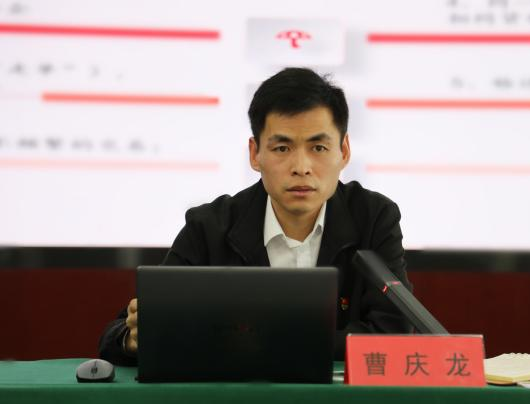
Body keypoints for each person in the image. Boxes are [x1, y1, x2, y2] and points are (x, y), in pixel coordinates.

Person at [99, 67, 413, 366]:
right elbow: (119, 335)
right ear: (255, 154)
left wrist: (253, 342)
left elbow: (395, 332)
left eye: (318, 148)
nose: (301, 167)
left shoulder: (373, 218)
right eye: (282, 149)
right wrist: (132, 338)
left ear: (343, 151)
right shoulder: (210, 227)